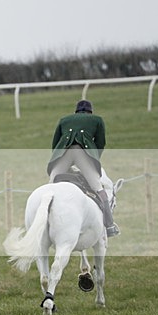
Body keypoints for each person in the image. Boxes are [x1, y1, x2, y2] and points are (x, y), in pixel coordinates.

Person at [48, 99, 119, 237]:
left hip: (64, 154)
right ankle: (110, 225)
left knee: (50, 186)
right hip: (83, 154)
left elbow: (55, 143)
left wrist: (59, 160)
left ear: (76, 112)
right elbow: (100, 143)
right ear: (90, 112)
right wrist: (93, 159)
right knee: (98, 188)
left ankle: (44, 220)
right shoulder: (97, 120)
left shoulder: (64, 120)